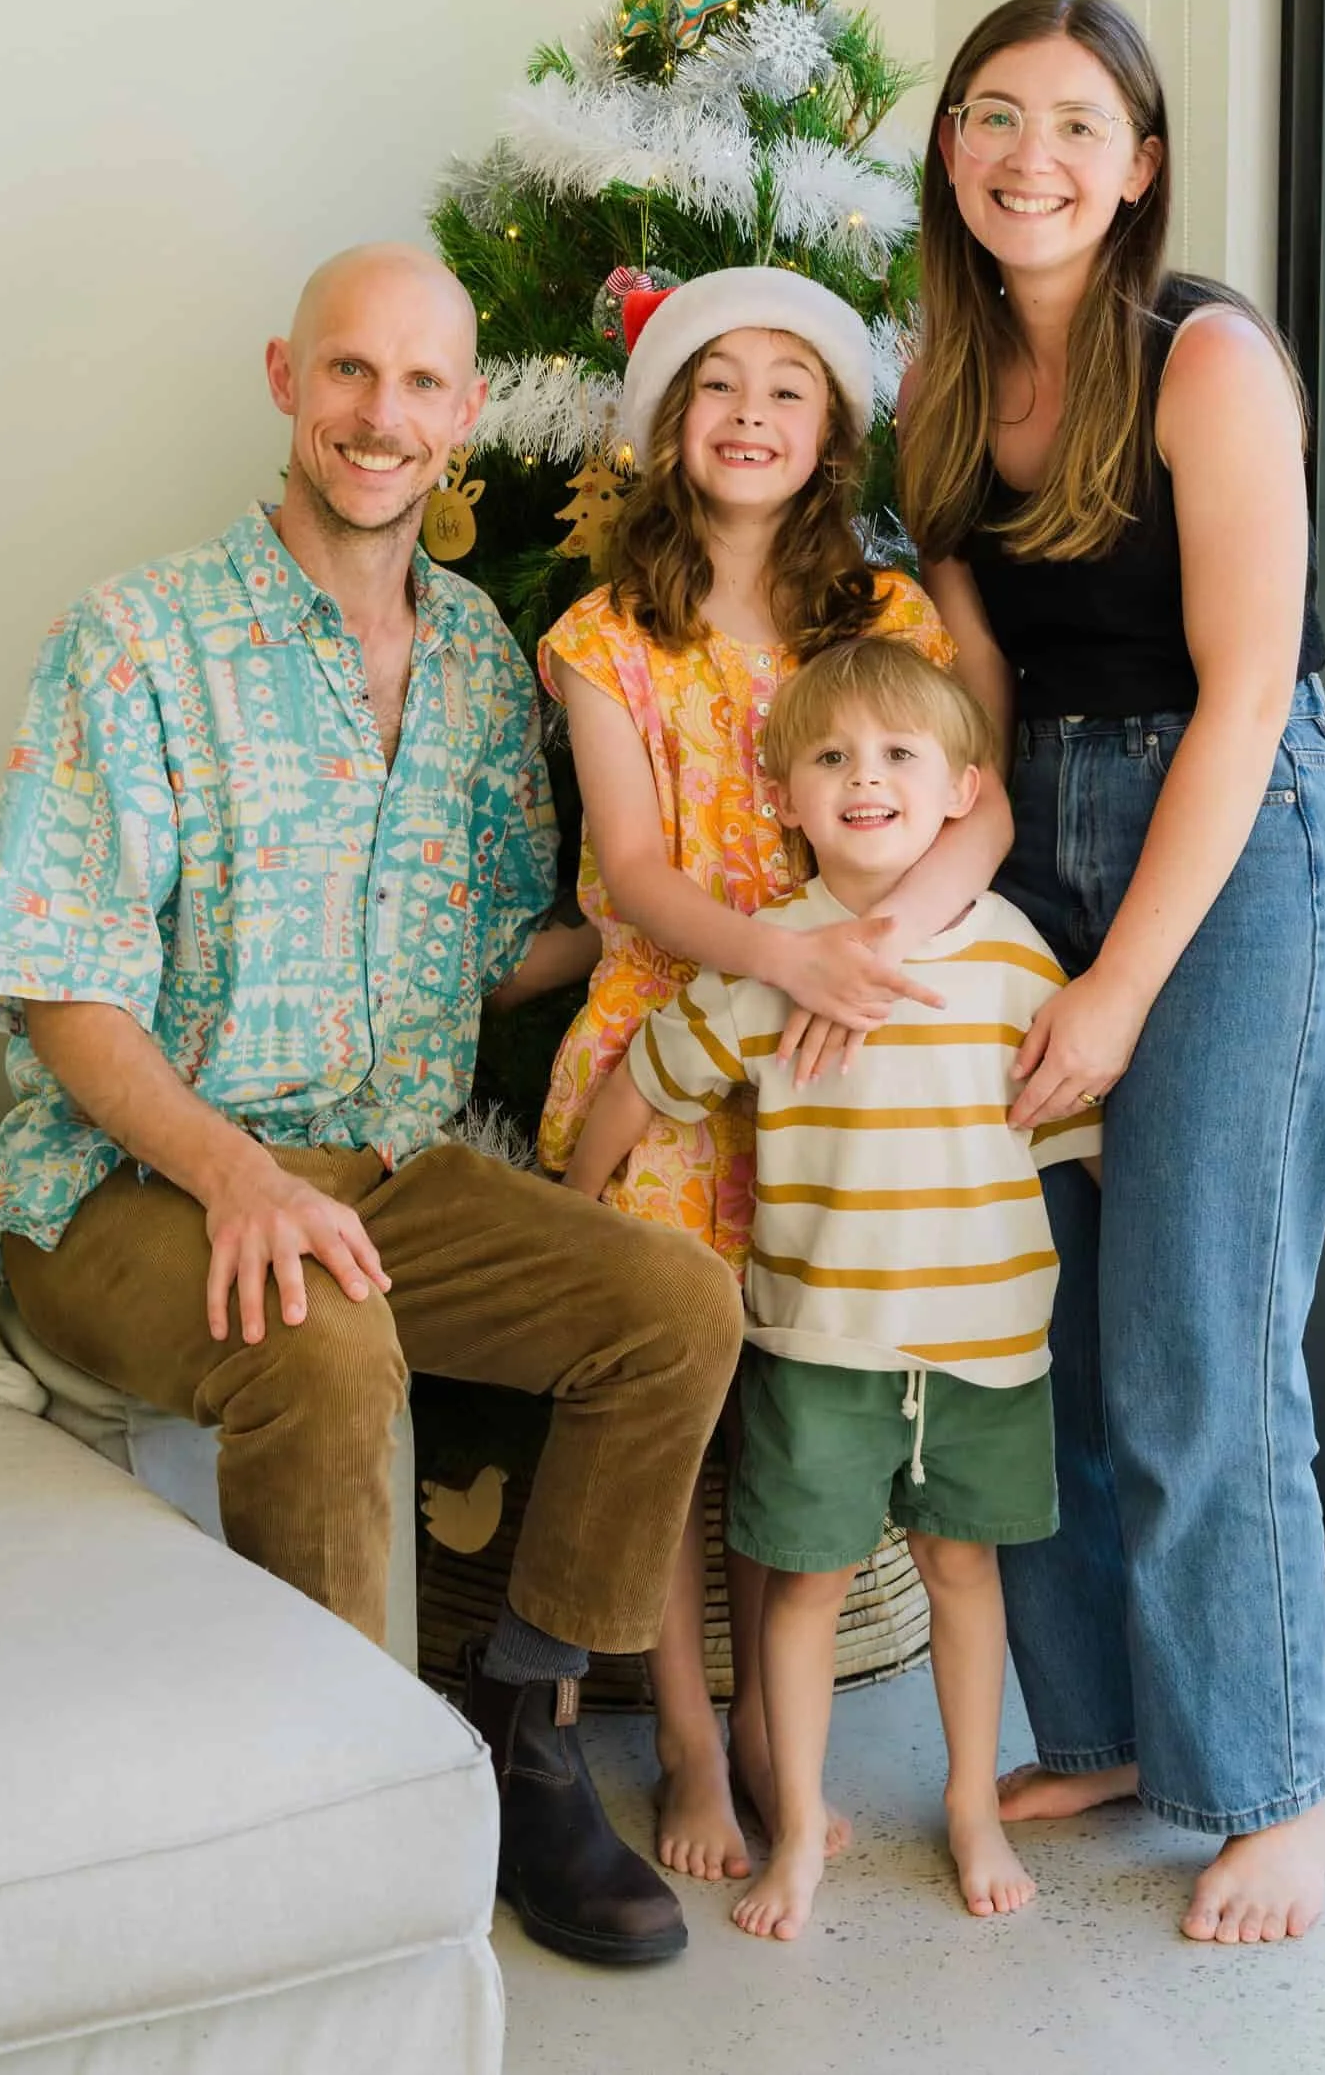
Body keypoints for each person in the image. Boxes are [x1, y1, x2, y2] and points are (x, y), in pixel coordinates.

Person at [0, 243, 744, 1970]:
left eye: (420, 385)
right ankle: (346, 1837)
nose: (382, 417)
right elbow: (65, 984)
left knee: (673, 1305)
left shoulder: (476, 661)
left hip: (387, 1170)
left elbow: (505, 943)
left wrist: (688, 920)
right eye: (347, 374)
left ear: (466, 415)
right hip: (126, 1182)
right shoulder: (138, 639)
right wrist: (235, 1177)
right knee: (319, 1341)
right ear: (285, 380)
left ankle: (527, 1740)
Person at [898, 0, 1325, 1947]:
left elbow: (1249, 687)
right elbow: (985, 708)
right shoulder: (934, 389)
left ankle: (1273, 1783)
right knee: (1050, 1328)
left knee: (1195, 1332)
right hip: (1050, 836)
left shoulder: (1206, 356)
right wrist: (958, 925)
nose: (1033, 157)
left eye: (1078, 123)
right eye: (996, 117)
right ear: (952, 150)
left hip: (1230, 844)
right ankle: (1105, 1725)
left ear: (1143, 158)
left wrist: (1115, 987)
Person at [538, 267, 1014, 1883]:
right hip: (678, 1034)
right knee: (668, 1400)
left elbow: (983, 807)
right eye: (717, 385)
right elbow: (633, 865)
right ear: (672, 426)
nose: (751, 413)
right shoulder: (607, 637)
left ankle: (766, 1724)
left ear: (832, 435)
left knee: (800, 1398)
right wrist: (781, 955)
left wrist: (874, 952)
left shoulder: (884, 618)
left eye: (788, 389)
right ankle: (686, 1732)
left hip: (845, 1037)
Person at [566, 637, 1101, 1938]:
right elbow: (646, 1077)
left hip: (983, 1351)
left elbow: (1071, 1137)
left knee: (963, 1574)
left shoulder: (1016, 959)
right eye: (832, 759)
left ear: (963, 790)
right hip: (821, 1348)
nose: (866, 779)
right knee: (803, 1587)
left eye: (900, 756)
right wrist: (575, 1212)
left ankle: (971, 1801)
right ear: (790, 798)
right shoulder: (775, 963)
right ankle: (800, 1827)